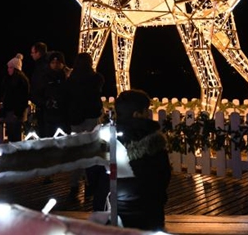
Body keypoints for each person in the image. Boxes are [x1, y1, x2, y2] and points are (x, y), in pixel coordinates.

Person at [113, 88, 171, 231]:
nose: (148, 114)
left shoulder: (108, 140)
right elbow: (163, 176)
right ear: (137, 114)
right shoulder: (154, 142)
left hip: (116, 212)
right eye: (146, 110)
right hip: (149, 212)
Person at [65, 52, 107, 207]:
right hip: (91, 118)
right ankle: (91, 184)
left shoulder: (71, 80)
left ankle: (74, 184)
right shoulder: (97, 78)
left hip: (76, 119)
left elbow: (67, 97)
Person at [0, 53, 30, 143]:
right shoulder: (8, 79)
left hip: (16, 113)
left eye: (11, 67)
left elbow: (23, 98)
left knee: (15, 136)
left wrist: (18, 113)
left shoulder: (22, 80)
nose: (8, 69)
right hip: (10, 112)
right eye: (8, 67)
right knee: (11, 135)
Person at [41, 51, 71, 139]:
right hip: (49, 116)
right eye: (53, 62)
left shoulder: (67, 76)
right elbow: (38, 93)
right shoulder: (45, 77)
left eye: (58, 63)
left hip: (64, 115)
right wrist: (46, 102)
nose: (55, 65)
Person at [28, 42, 50, 137]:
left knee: (45, 132)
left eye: (33, 52)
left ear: (38, 53)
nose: (31, 54)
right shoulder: (43, 65)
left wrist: (38, 99)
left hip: (44, 105)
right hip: (43, 104)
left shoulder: (42, 67)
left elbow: (40, 85)